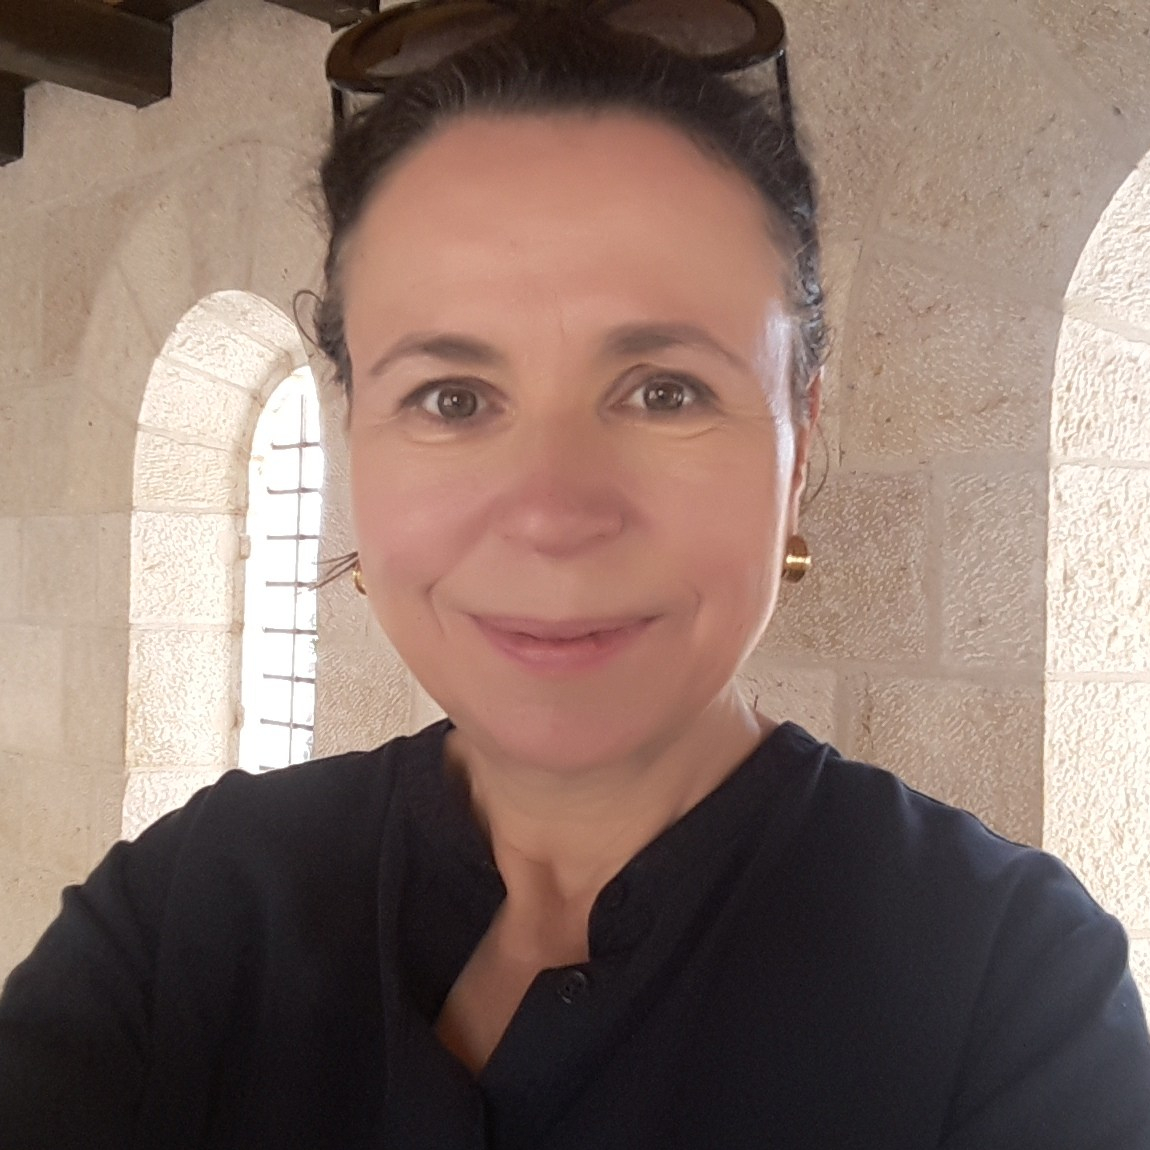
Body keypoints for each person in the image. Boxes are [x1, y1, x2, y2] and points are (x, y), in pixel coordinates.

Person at [2, 4, 1148, 1148]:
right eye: (452, 398)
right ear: (355, 437)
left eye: (664, 391)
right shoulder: (184, 913)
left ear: (800, 441)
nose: (552, 512)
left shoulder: (1006, 993)